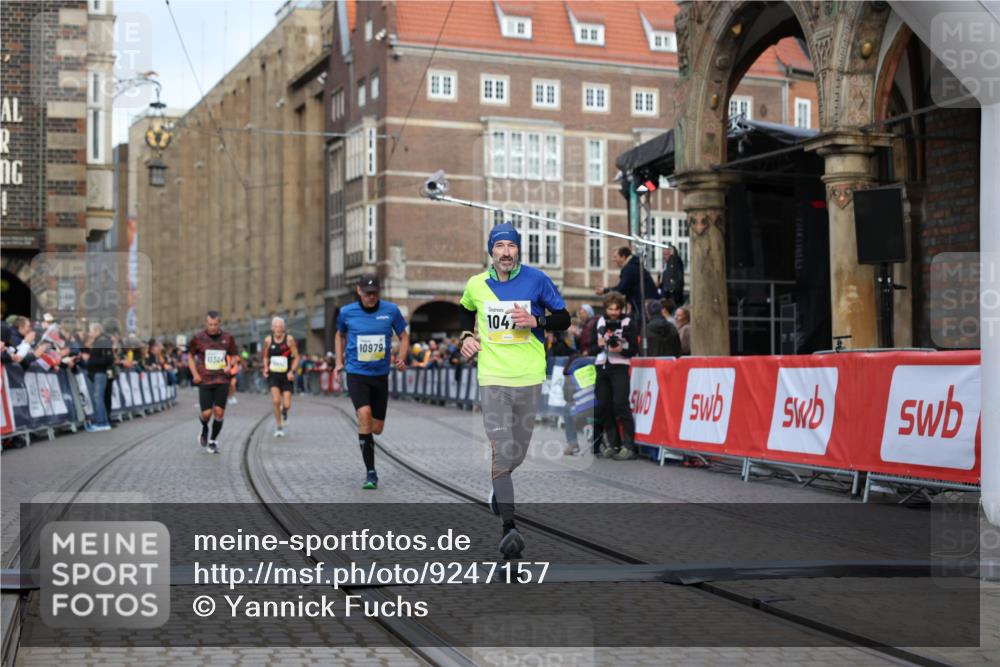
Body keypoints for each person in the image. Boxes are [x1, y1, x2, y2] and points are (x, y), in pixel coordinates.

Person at [459, 222, 570, 559]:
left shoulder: (537, 280)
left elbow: (564, 318)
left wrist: (538, 322)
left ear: (519, 250)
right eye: (500, 246)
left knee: (517, 454)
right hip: (493, 378)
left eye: (511, 246)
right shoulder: (476, 284)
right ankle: (509, 527)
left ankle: (499, 490)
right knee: (502, 450)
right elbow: (465, 310)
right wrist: (466, 337)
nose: (506, 252)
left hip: (529, 376)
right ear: (491, 251)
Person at [334, 273, 409, 490]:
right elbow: (339, 335)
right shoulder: (346, 312)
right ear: (359, 291)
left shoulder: (390, 310)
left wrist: (401, 357)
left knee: (377, 428)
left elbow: (404, 336)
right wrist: (339, 361)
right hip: (356, 373)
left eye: (374, 293)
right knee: (364, 415)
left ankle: (368, 438)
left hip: (380, 375)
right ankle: (371, 472)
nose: (371, 297)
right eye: (367, 293)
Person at [593, 292, 640, 460]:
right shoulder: (600, 321)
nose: (613, 312)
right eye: (610, 309)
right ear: (605, 309)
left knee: (621, 403)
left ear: (621, 309)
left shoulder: (627, 322)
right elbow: (591, 347)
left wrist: (621, 349)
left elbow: (634, 349)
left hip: (620, 366)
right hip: (602, 365)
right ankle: (614, 444)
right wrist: (600, 346)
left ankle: (629, 446)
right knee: (604, 405)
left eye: (616, 309)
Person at [187, 311, 240, 454]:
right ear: (206, 323)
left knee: (219, 412)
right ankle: (204, 428)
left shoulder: (227, 338)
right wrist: (195, 374)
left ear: (219, 323)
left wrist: (230, 365)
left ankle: (213, 441)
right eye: (210, 324)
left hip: (222, 379)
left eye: (215, 324)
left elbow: (235, 356)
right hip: (205, 380)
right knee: (206, 414)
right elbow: (190, 356)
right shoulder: (198, 338)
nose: (212, 327)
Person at [261, 316, 300, 437]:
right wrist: (265, 367)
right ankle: (279, 426)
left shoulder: (289, 339)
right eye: (276, 327)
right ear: (272, 328)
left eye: (280, 327)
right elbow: (265, 356)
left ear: (284, 328)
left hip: (286, 375)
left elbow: (296, 357)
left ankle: (284, 412)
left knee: (287, 405)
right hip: (273, 375)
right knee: (276, 401)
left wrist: (292, 371)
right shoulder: (268, 340)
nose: (278, 329)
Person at [596, 246, 659, 319]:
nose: (614, 260)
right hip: (648, 302)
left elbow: (621, 289)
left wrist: (604, 291)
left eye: (615, 257)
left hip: (642, 304)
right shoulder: (635, 265)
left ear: (623, 257)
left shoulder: (629, 269)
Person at [81, 322, 114, 432]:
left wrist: (89, 360)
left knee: (98, 398)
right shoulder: (100, 341)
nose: (90, 333)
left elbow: (107, 359)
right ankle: (104, 422)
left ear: (97, 331)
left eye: (91, 331)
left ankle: (101, 422)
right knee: (99, 398)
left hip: (99, 372)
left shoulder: (102, 341)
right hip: (98, 372)